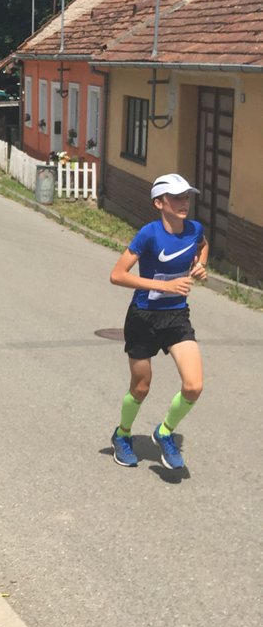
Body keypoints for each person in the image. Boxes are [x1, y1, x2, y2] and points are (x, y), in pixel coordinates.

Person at [108, 173, 208, 470]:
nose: (184, 203)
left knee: (194, 386)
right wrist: (164, 286)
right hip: (143, 317)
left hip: (177, 316)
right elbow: (117, 274)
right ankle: (122, 435)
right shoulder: (149, 234)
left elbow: (202, 244)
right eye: (176, 197)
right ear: (158, 202)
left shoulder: (194, 229)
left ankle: (164, 432)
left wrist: (200, 265)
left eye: (187, 197)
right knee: (141, 387)